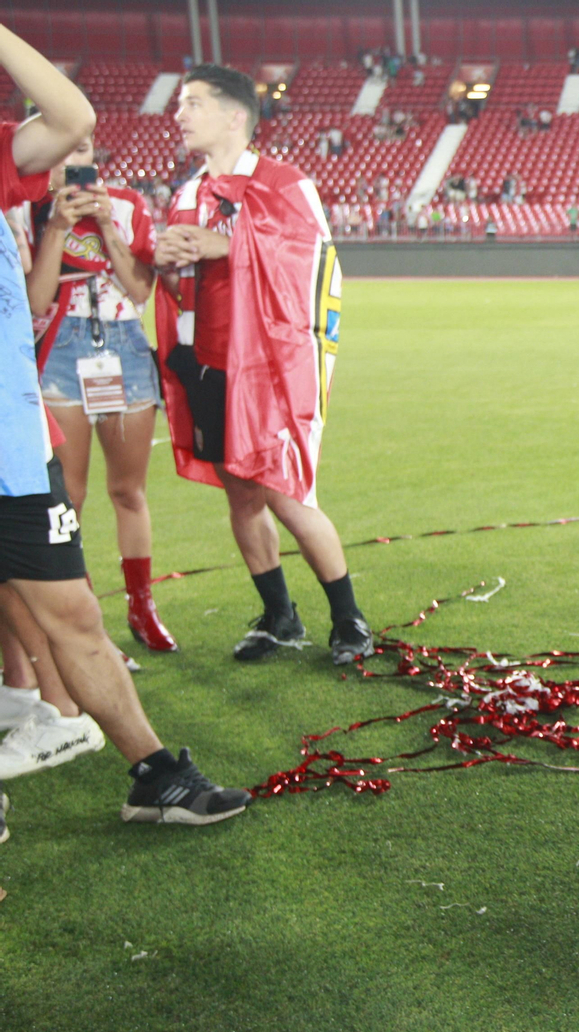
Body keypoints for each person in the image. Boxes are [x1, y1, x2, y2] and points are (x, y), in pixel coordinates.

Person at [0, 22, 252, 833]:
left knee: (75, 612)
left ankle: (154, 775)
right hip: (39, 400)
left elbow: (71, 115)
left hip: (15, 439)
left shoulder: (12, 164)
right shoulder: (28, 200)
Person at [151, 64, 372, 665]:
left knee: (287, 494)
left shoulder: (285, 182)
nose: (179, 114)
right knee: (242, 498)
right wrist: (167, 263)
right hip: (210, 365)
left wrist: (226, 246)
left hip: (269, 370)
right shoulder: (188, 194)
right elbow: (182, 287)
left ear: (234, 117)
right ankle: (280, 617)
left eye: (193, 103)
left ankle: (349, 619)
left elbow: (315, 266)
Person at [19, 134, 178, 655]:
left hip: (124, 348)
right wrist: (57, 228)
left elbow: (140, 288)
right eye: (61, 151)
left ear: (95, 156)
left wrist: (108, 226)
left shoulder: (127, 205)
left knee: (129, 491)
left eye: (81, 149)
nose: (72, 161)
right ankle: (83, 617)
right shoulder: (31, 208)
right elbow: (36, 299)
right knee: (70, 497)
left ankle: (141, 606)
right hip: (61, 349)